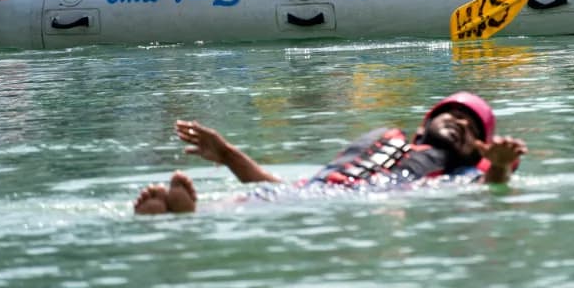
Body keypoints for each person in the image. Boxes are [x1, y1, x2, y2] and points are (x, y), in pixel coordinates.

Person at [133, 92, 527, 213]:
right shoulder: (386, 140)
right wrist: (229, 153)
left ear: (476, 149)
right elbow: (299, 187)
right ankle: (187, 213)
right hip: (315, 195)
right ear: (424, 125)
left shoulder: (459, 173)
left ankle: (184, 216)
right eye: (453, 115)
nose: (460, 123)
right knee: (257, 198)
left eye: (470, 127)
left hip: (364, 204)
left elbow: (486, 188)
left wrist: (500, 167)